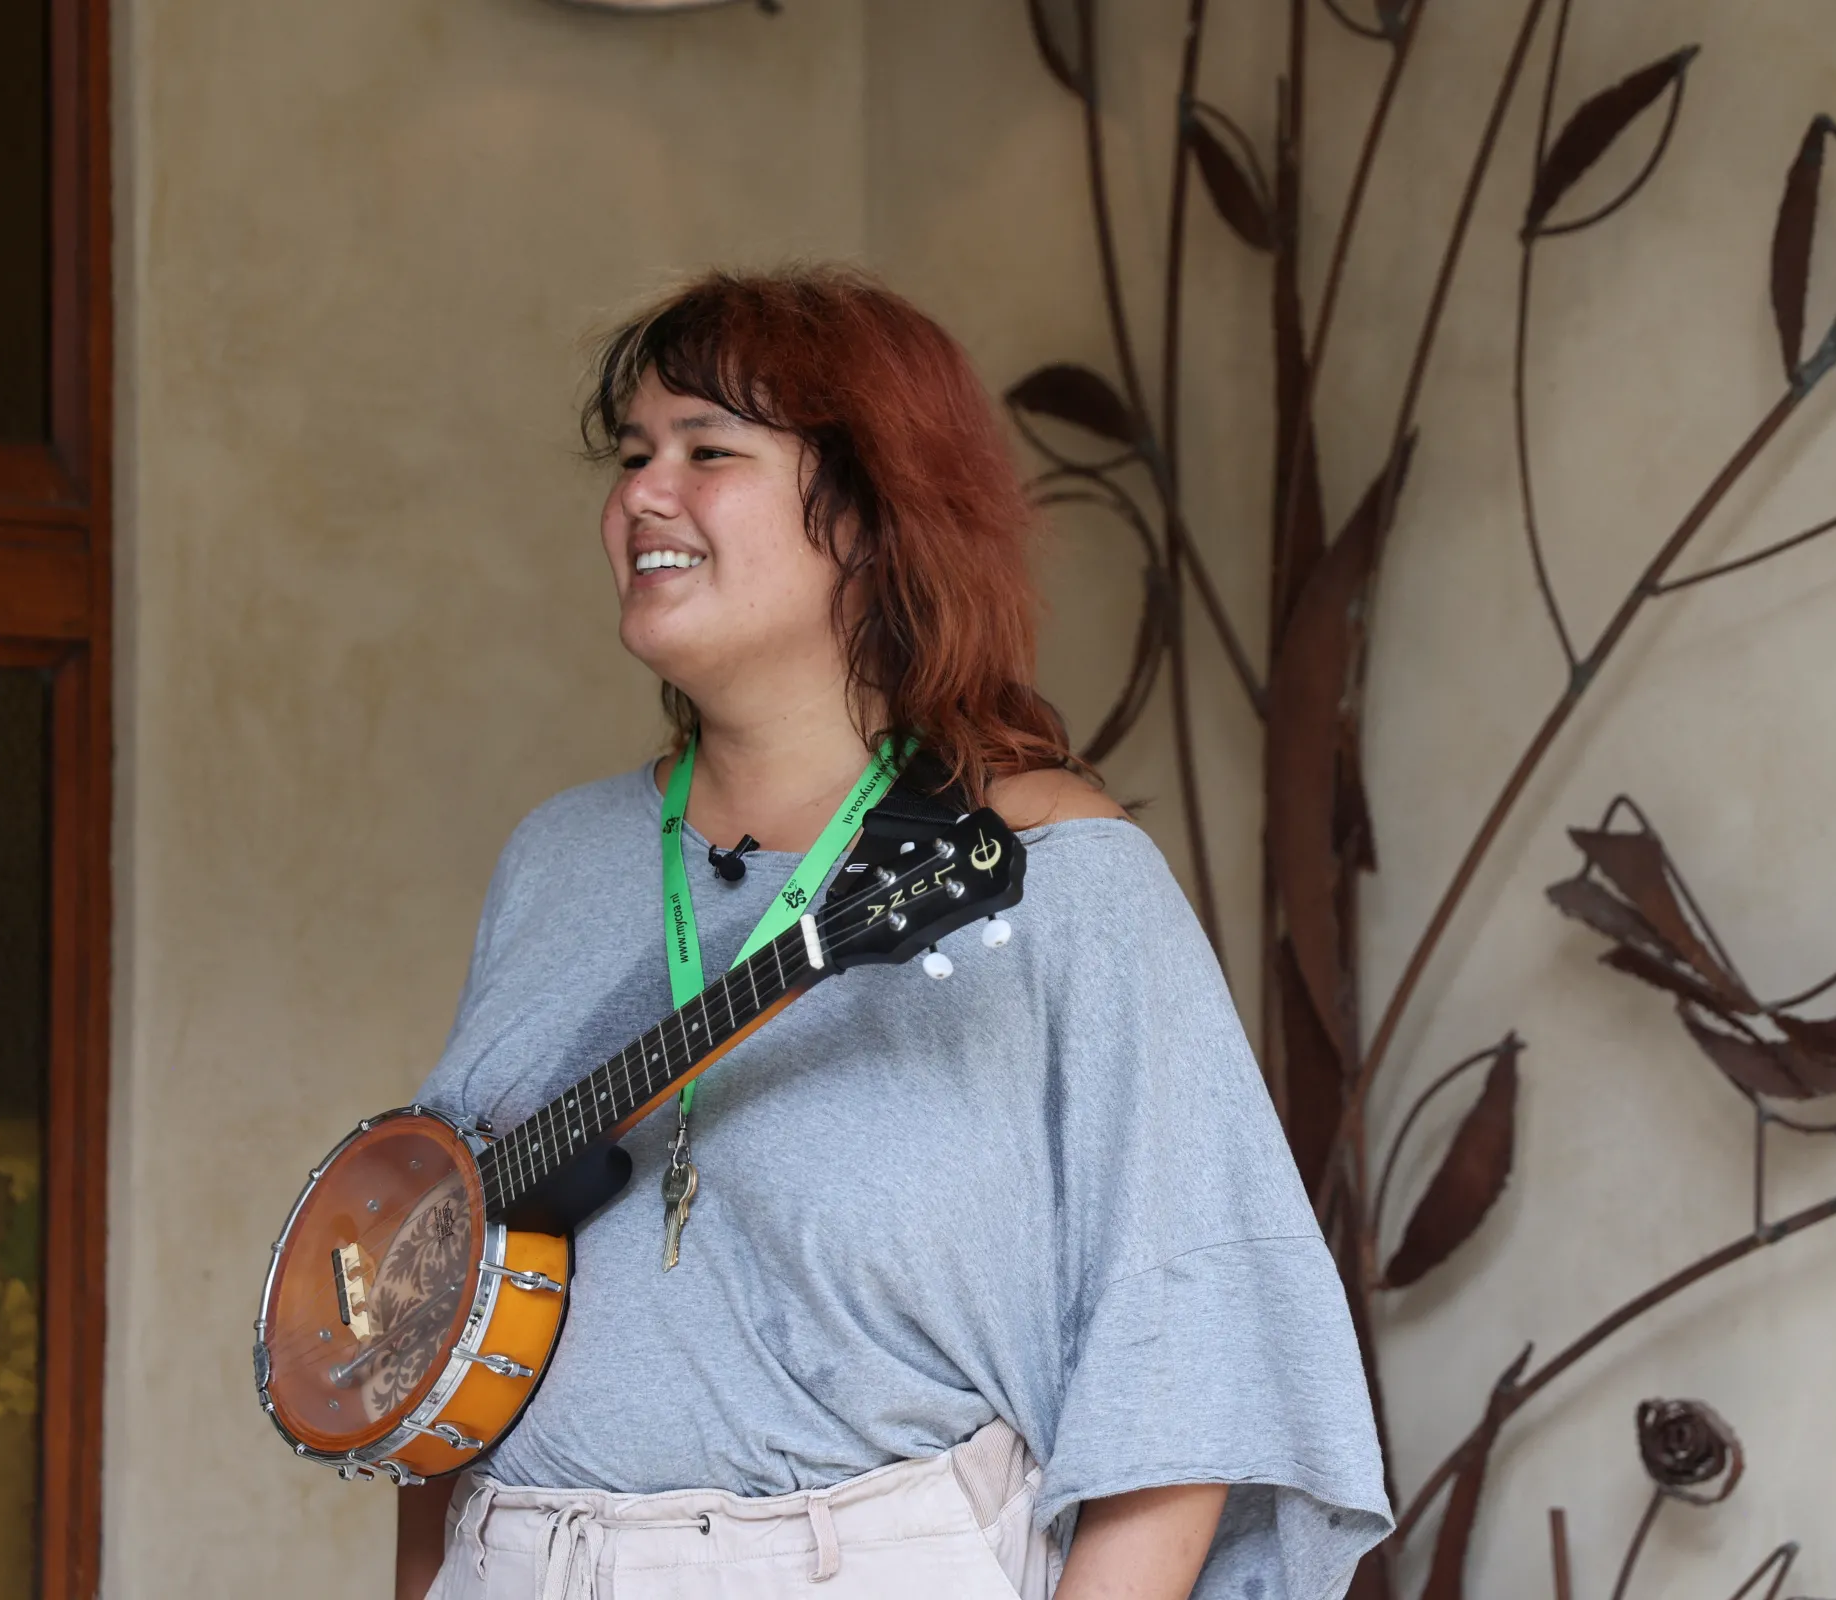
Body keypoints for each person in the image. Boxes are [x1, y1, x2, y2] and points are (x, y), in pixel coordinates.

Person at [397, 268, 1389, 1599]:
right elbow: (443, 1331)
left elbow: (1185, 1356)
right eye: (633, 455)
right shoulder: (555, 861)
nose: (642, 493)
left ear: (872, 515)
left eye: (708, 450)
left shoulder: (1064, 881)